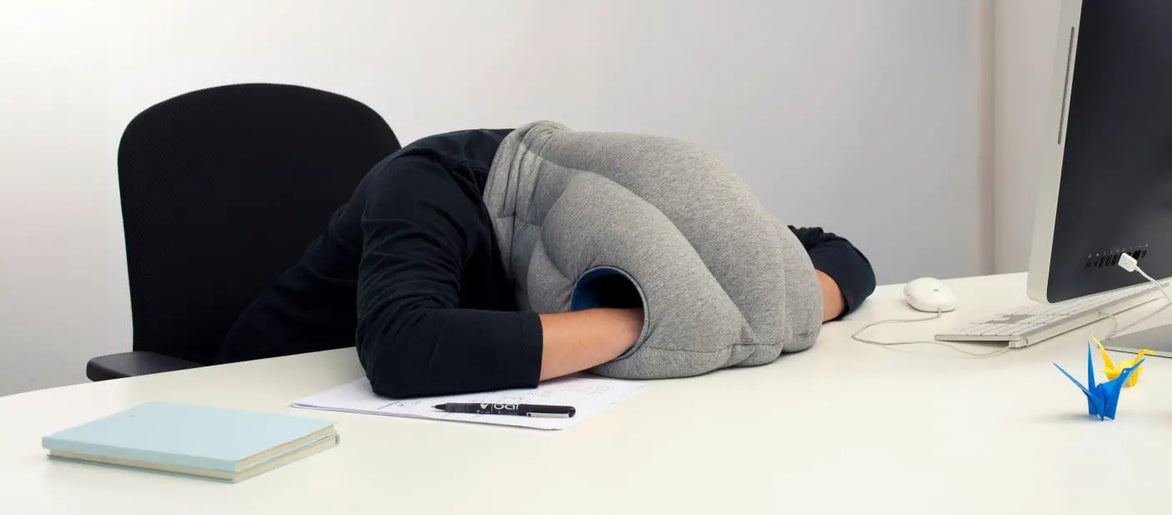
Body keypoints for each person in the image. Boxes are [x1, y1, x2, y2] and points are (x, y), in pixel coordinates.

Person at [216, 128, 876, 397]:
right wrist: (650, 321)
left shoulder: (630, 197)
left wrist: (768, 309)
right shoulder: (422, 185)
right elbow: (401, 350)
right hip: (260, 401)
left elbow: (838, 254)